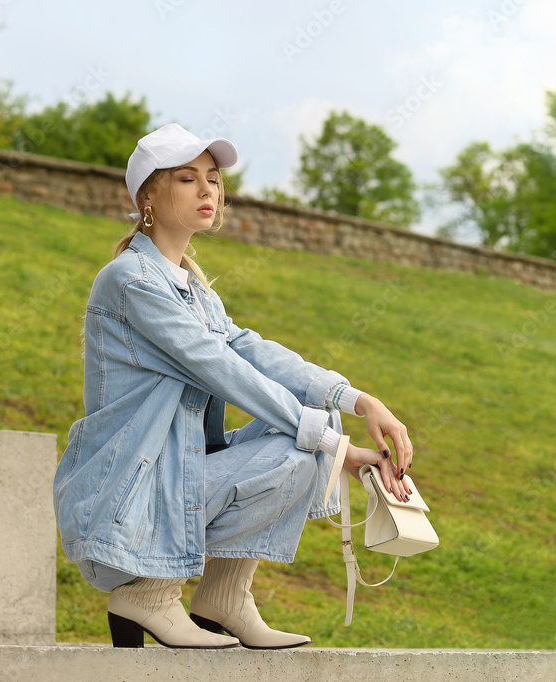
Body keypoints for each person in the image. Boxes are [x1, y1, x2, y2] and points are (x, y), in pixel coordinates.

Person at [53, 123, 414, 650]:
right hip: (132, 490)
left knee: (315, 424)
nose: (207, 191)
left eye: (214, 179)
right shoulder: (130, 280)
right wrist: (337, 447)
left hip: (175, 483)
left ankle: (224, 594)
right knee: (312, 435)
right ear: (147, 196)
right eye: (186, 178)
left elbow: (255, 352)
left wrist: (360, 402)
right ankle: (149, 593)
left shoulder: (196, 292)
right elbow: (218, 366)